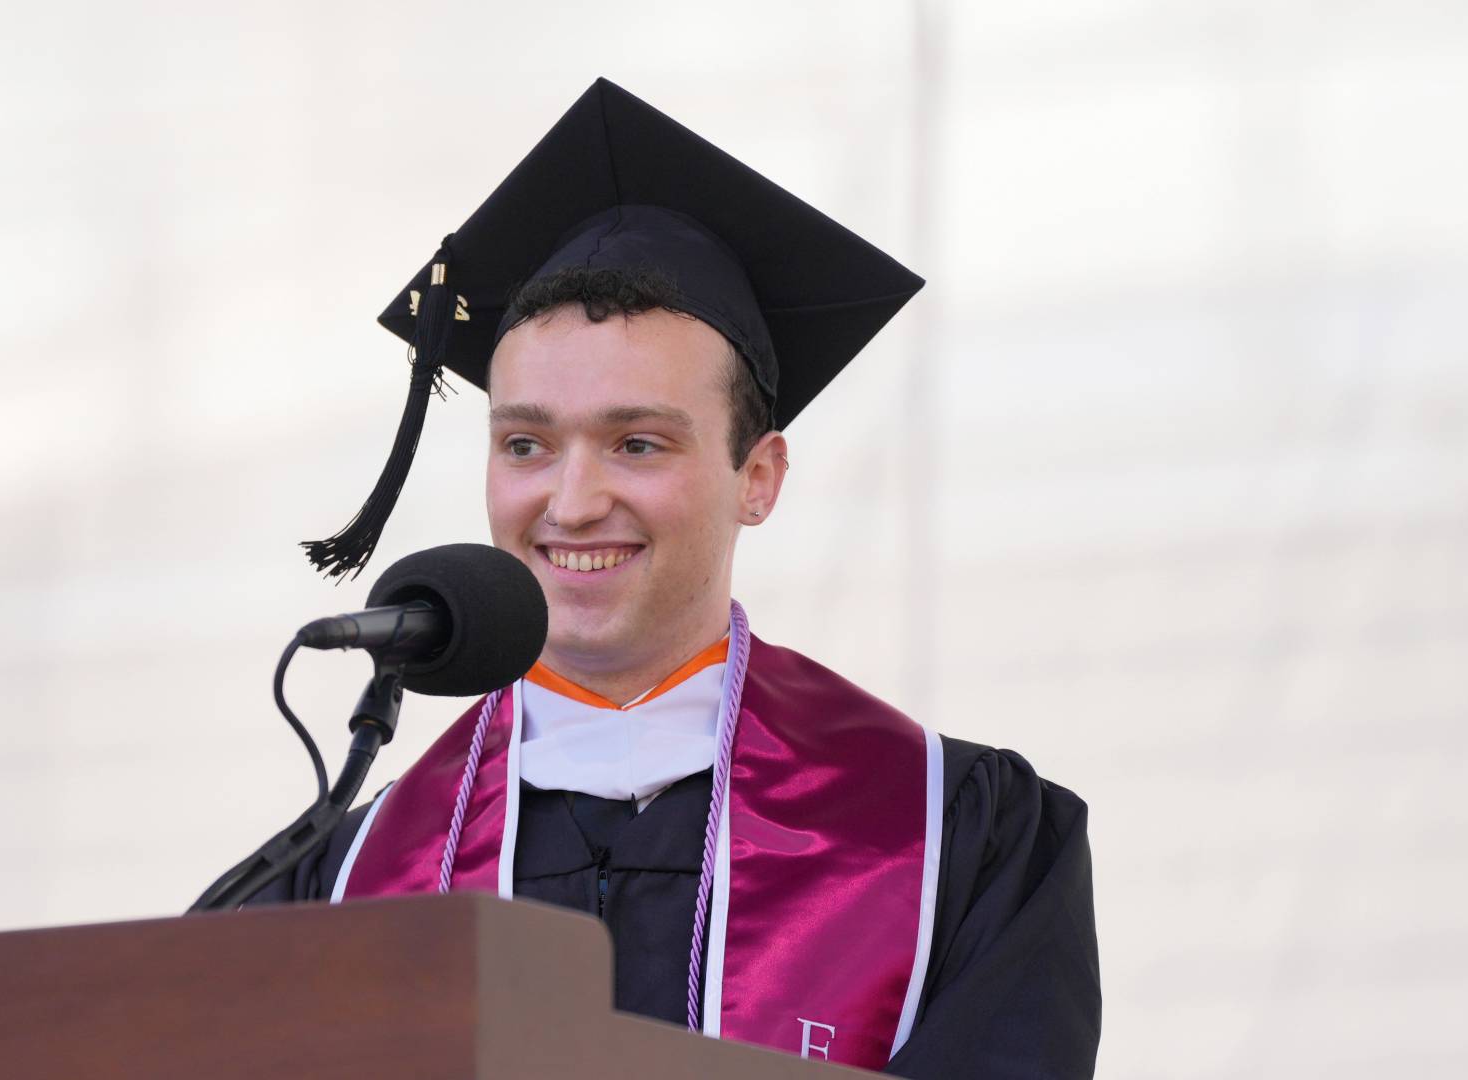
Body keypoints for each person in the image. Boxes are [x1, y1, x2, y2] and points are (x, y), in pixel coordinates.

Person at [236, 78, 1100, 1077]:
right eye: (525, 443)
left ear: (758, 478)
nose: (570, 502)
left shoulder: (962, 841)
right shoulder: (337, 882)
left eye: (637, 442)